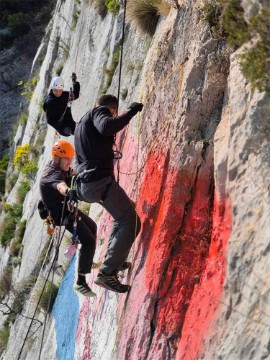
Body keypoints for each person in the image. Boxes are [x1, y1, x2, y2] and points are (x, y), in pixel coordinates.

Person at [74, 94, 143, 293]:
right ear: (111, 109)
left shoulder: (81, 125)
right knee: (132, 221)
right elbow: (106, 126)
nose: (111, 115)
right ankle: (108, 272)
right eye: (113, 112)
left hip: (87, 185)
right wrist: (130, 112)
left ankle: (116, 258)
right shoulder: (99, 112)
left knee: (122, 216)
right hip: (98, 181)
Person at [39, 139, 97, 297]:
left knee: (93, 228)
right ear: (57, 158)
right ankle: (81, 283)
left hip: (68, 210)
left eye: (71, 158)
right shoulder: (50, 176)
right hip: (64, 215)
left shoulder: (60, 167)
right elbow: (60, 186)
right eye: (67, 159)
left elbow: (71, 173)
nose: (69, 161)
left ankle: (87, 259)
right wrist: (68, 191)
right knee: (89, 241)